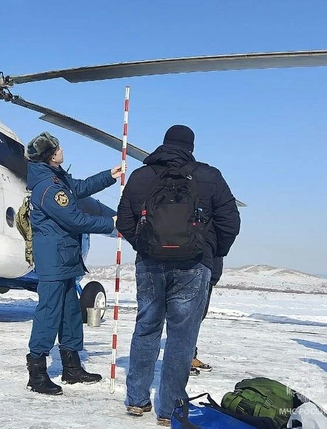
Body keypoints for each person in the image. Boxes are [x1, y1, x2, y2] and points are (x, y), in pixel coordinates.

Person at [116, 125, 240, 426]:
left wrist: (144, 245)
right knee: (181, 337)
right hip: (193, 265)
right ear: (191, 146)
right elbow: (230, 222)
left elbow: (124, 219)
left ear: (164, 144)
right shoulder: (208, 176)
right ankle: (169, 408)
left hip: (150, 265)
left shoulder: (141, 176)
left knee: (146, 328)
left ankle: (137, 400)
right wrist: (210, 252)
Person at [25, 131, 123, 395]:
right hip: (54, 260)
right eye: (57, 147)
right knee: (49, 313)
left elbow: (78, 188)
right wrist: (110, 224)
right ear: (51, 155)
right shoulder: (48, 188)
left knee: (70, 313)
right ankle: (37, 372)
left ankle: (71, 367)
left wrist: (108, 176)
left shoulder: (57, 179)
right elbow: (75, 220)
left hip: (66, 258)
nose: (61, 149)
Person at [191, 256, 224, 374]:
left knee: (195, 320)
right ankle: (182, 361)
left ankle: (188, 357)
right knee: (187, 321)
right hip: (195, 270)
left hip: (208, 272)